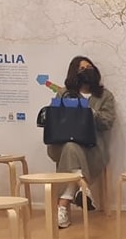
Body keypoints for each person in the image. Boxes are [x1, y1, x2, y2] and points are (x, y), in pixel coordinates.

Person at [47, 56, 116, 229]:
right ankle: (82, 188)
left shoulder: (105, 96)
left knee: (72, 150)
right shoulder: (63, 94)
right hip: (61, 145)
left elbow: (107, 123)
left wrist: (92, 113)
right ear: (74, 73)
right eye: (82, 69)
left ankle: (64, 205)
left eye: (89, 67)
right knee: (70, 146)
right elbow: (55, 120)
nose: (87, 71)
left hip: (92, 149)